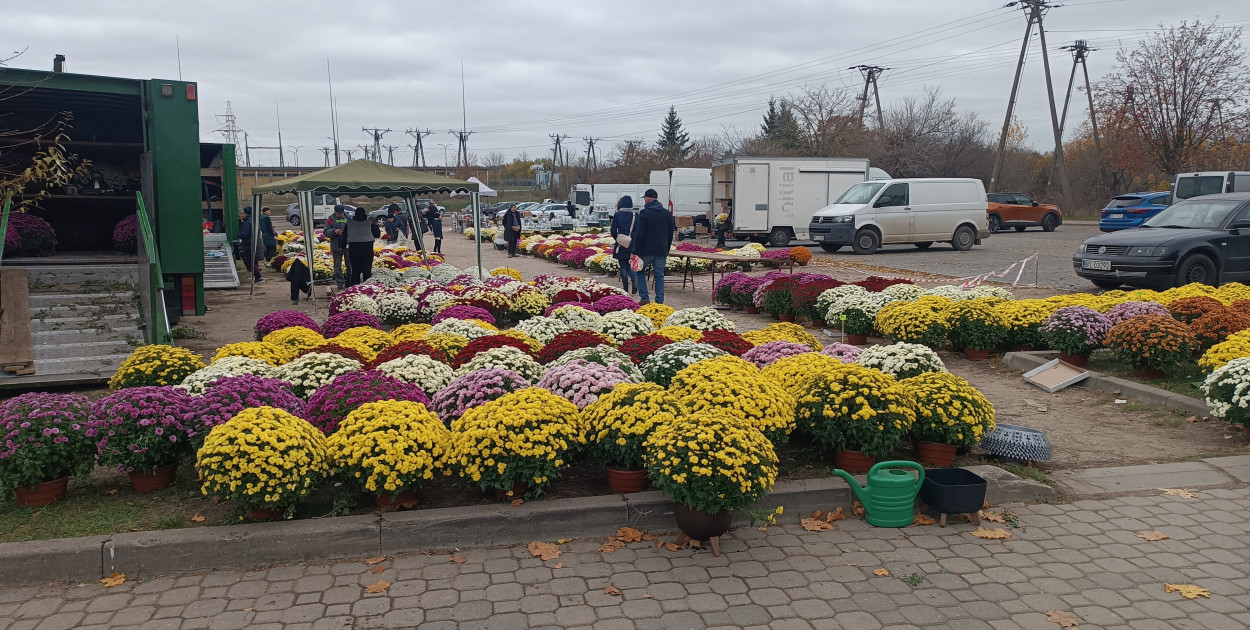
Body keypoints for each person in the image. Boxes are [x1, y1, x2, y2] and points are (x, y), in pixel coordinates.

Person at [632, 189, 676, 305]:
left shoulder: (645, 213)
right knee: (659, 276)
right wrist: (666, 249)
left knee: (640, 272)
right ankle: (659, 301)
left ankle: (645, 298)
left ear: (647, 198)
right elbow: (670, 233)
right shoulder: (667, 214)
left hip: (646, 250)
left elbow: (640, 234)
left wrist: (635, 250)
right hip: (661, 250)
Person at [609, 196, 639, 294]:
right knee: (630, 265)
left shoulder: (618, 215)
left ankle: (625, 289)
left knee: (623, 267)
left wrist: (618, 239)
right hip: (633, 243)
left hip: (621, 244)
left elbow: (613, 230)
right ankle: (634, 280)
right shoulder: (636, 215)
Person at [344, 207, 378, 286]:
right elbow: (377, 234)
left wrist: (342, 246)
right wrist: (376, 224)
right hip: (367, 248)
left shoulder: (349, 223)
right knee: (367, 271)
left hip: (354, 248)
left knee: (355, 271)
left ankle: (354, 288)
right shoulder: (369, 223)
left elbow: (344, 237)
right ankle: (367, 287)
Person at [237, 207, 263, 283]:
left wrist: (238, 235)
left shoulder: (247, 223)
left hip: (249, 243)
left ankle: (258, 276)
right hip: (256, 241)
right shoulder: (254, 220)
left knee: (250, 261)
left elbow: (245, 234)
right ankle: (257, 276)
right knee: (254, 261)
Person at [326, 205, 349, 288]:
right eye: (338, 213)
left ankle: (349, 280)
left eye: (341, 213)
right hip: (336, 245)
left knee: (349, 264)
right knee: (337, 265)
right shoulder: (330, 219)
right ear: (335, 212)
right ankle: (339, 282)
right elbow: (326, 231)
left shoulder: (349, 218)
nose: (340, 215)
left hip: (348, 245)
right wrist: (334, 231)